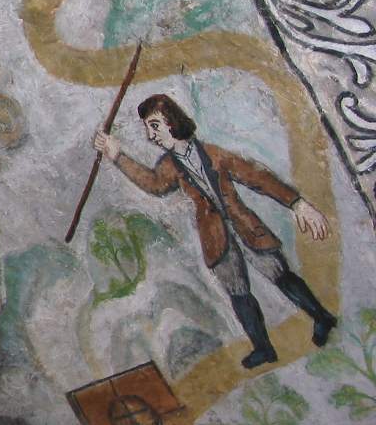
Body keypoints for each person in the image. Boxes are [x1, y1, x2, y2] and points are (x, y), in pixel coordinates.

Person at [93, 93, 336, 369]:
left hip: (245, 228)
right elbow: (154, 184)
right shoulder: (168, 166)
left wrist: (297, 203)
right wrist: (117, 155)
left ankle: (322, 317)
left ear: (172, 122)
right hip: (216, 239)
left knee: (279, 274)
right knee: (238, 292)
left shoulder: (213, 154)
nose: (151, 135)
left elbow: (256, 176)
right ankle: (263, 348)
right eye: (149, 128)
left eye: (155, 126)